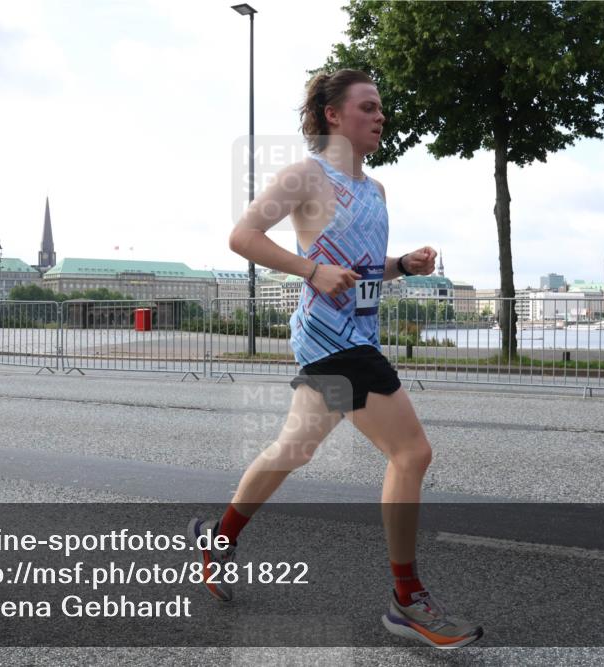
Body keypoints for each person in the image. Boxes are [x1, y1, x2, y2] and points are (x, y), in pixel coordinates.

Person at [188, 69, 482, 648]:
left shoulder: (376, 190)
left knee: (291, 450)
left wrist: (403, 265)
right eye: (368, 106)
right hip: (331, 339)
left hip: (357, 338)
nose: (380, 116)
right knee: (412, 451)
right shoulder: (306, 176)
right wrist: (310, 270)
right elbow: (242, 236)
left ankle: (217, 539)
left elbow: (364, 268)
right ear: (333, 115)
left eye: (381, 107)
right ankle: (406, 598)